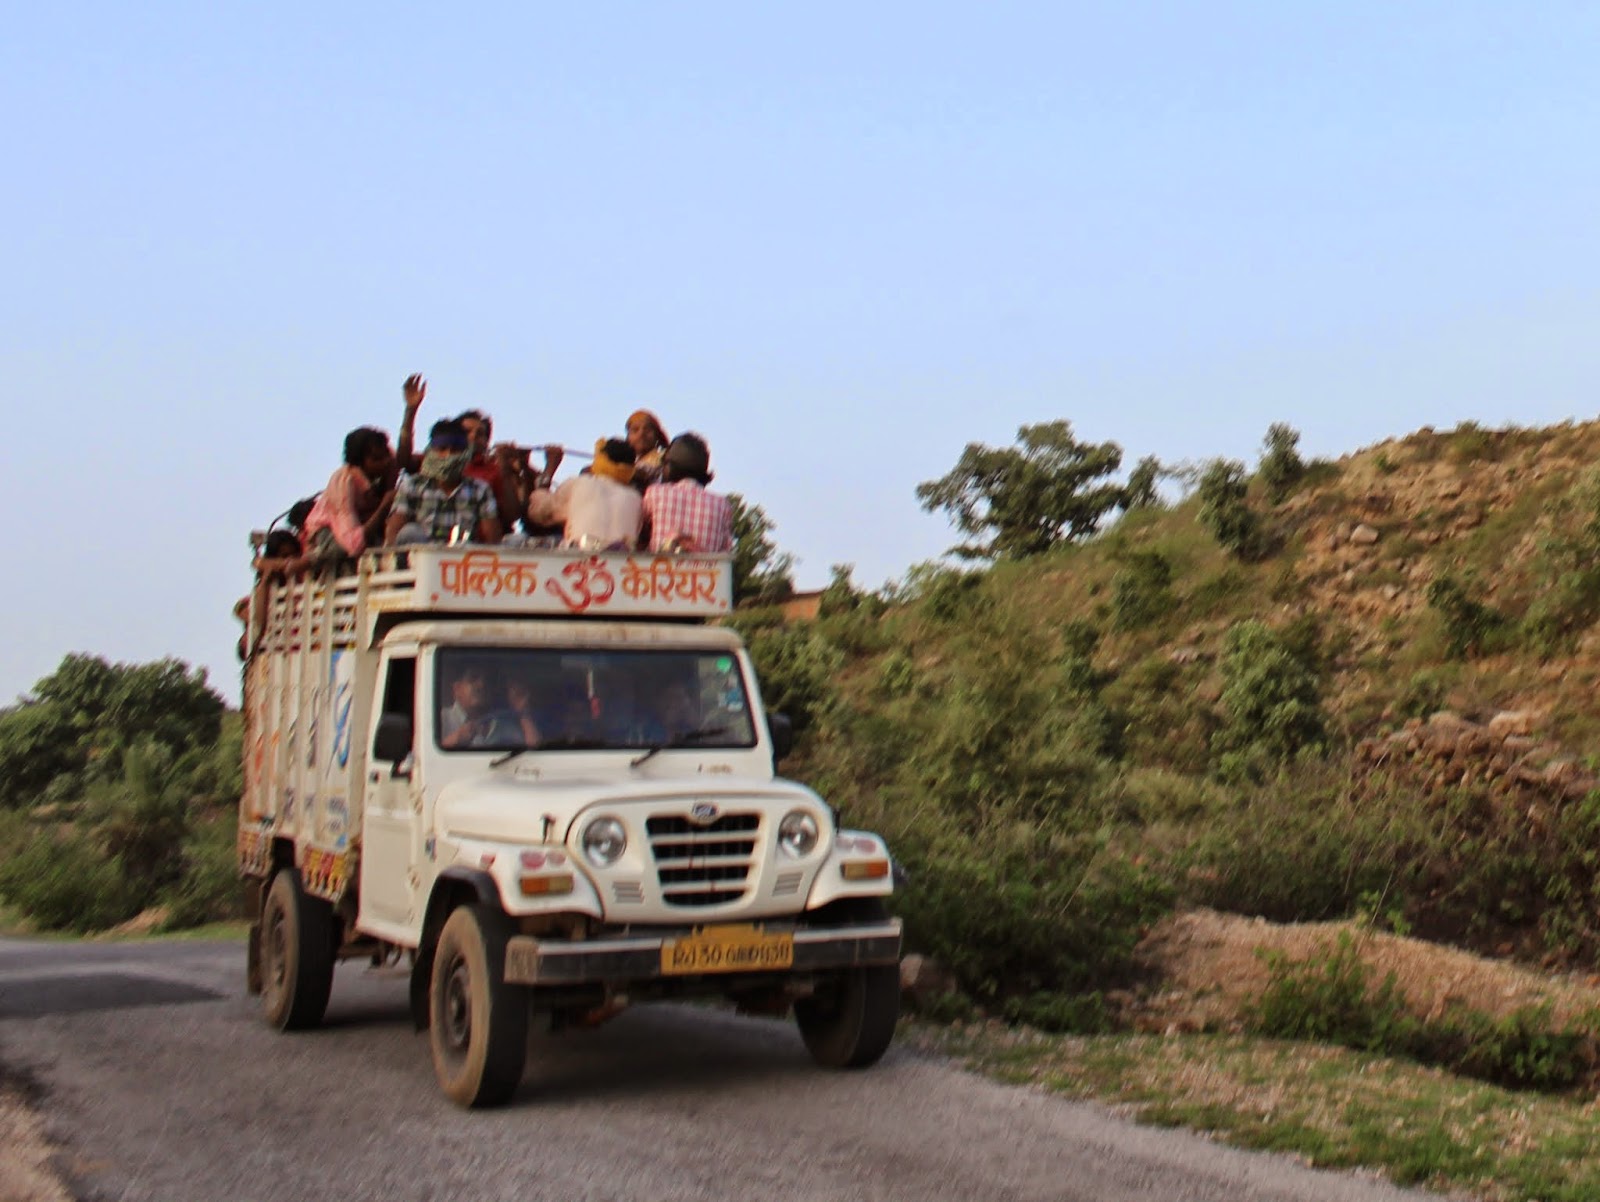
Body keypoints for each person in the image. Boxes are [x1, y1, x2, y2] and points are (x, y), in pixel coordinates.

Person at [384, 419, 502, 546]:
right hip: (421, 554)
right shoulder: (413, 486)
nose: (448, 455)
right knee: (410, 532)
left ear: (466, 453)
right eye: (442, 449)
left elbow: (492, 538)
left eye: (455, 450)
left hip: (461, 553)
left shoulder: (480, 489)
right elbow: (394, 530)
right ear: (431, 451)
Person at [300, 427, 397, 567]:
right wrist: (384, 506)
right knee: (344, 552)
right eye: (377, 459)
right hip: (331, 529)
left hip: (363, 524)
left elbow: (403, 459)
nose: (385, 462)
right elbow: (352, 543)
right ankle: (306, 561)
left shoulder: (387, 462)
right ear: (359, 462)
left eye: (386, 456)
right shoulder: (344, 484)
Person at [525, 438, 643, 550]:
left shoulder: (580, 483)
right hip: (621, 560)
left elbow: (538, 511)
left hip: (579, 557)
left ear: (600, 459)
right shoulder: (636, 498)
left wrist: (550, 466)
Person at [640, 433, 733, 553]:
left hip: (660, 564)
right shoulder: (722, 504)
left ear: (670, 467)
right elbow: (726, 551)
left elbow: (639, 532)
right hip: (705, 565)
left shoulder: (655, 493)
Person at [438, 662, 520, 749]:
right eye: (473, 678)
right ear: (457, 689)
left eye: (488, 680)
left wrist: (524, 713)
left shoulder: (506, 726)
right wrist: (454, 741)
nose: (482, 685)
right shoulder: (442, 719)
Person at [625, 410, 670, 489]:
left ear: (657, 436)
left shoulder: (663, 458)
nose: (641, 433)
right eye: (635, 430)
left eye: (648, 429)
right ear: (628, 438)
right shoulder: (630, 464)